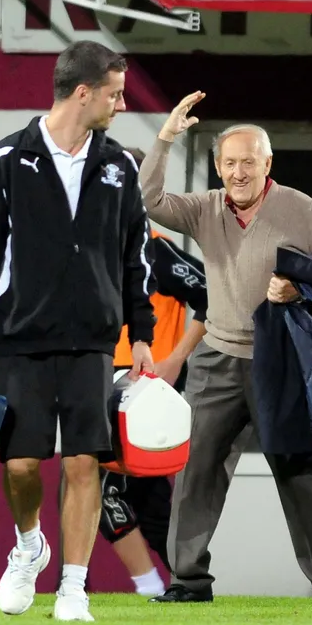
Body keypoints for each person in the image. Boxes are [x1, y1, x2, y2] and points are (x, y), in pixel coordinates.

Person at [0, 40, 156, 622]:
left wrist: (141, 332)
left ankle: (73, 587)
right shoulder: (7, 159)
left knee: (83, 464)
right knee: (20, 465)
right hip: (22, 337)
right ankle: (29, 546)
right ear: (83, 92)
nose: (121, 105)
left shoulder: (120, 166)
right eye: (115, 94)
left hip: (94, 341)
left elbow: (135, 256)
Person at [140, 92, 312, 604]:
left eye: (248, 162)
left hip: (278, 360)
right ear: (218, 167)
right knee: (196, 473)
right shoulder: (204, 208)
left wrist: (299, 288)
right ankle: (188, 581)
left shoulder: (301, 209)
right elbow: (149, 200)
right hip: (216, 358)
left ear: (267, 164)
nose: (238, 173)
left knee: (298, 471)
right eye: (230, 163)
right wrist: (166, 136)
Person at [98, 145, 210, 597]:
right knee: (148, 498)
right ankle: (186, 583)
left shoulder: (155, 251)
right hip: (105, 381)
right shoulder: (95, 248)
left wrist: (176, 358)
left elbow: (212, 295)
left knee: (103, 491)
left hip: (144, 387)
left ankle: (154, 585)